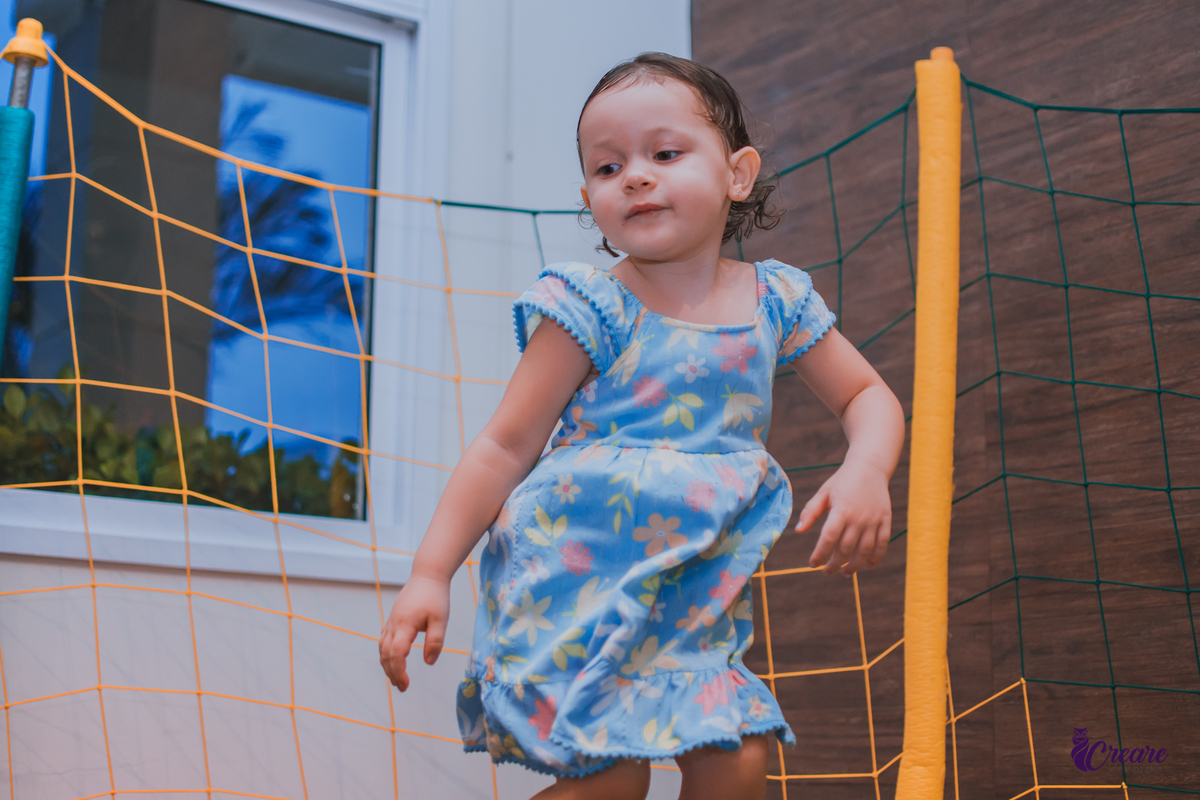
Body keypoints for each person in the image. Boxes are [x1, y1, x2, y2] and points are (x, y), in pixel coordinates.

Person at [379, 52, 905, 800]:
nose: (634, 175)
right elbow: (504, 445)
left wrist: (866, 469)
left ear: (738, 174)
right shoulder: (591, 306)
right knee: (612, 782)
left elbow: (867, 397)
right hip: (574, 584)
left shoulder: (775, 300)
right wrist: (431, 573)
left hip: (689, 591)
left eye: (664, 153)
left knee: (739, 759)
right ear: (590, 197)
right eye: (607, 166)